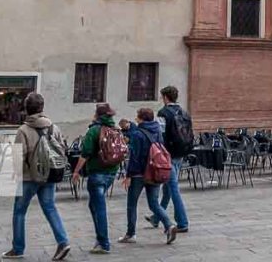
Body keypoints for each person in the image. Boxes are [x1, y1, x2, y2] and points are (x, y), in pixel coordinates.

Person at [3, 93, 71, 260]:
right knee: (50, 208)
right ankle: (63, 241)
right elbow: (62, 148)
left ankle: (18, 248)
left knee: (19, 211)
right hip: (49, 174)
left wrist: (18, 174)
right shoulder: (54, 127)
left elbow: (19, 156)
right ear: (42, 108)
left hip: (29, 177)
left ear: (26, 109)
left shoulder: (23, 130)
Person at [119, 108, 177, 245]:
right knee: (154, 203)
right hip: (155, 170)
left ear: (142, 118)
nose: (136, 119)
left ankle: (131, 234)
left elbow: (134, 156)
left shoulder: (138, 134)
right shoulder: (157, 131)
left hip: (139, 174)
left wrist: (128, 175)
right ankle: (169, 225)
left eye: (137, 116)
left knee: (132, 204)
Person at [72, 103, 122, 254]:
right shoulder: (116, 129)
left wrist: (76, 171)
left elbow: (85, 153)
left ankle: (103, 242)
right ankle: (100, 239)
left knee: (98, 207)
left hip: (97, 172)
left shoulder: (94, 130)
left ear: (97, 115)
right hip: (111, 172)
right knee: (94, 205)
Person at [149, 85, 190, 233]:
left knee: (173, 188)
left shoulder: (163, 112)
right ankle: (156, 217)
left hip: (168, 154)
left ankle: (182, 222)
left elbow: (160, 133)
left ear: (165, 97)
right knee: (167, 188)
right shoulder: (184, 112)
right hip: (181, 152)